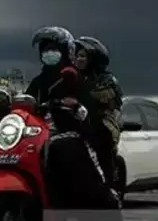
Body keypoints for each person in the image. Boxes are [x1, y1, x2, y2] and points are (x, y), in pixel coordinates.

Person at [22, 26, 120, 211]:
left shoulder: (74, 77)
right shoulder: (39, 81)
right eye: (45, 49)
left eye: (54, 49)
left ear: (65, 51)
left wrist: (75, 107)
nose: (48, 53)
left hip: (72, 135)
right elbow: (29, 101)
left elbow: (88, 112)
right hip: (40, 136)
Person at [75, 35, 124, 189]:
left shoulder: (107, 80)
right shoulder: (72, 77)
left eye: (82, 56)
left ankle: (108, 189)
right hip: (73, 124)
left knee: (103, 142)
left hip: (101, 125)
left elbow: (103, 101)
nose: (78, 59)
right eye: (76, 55)